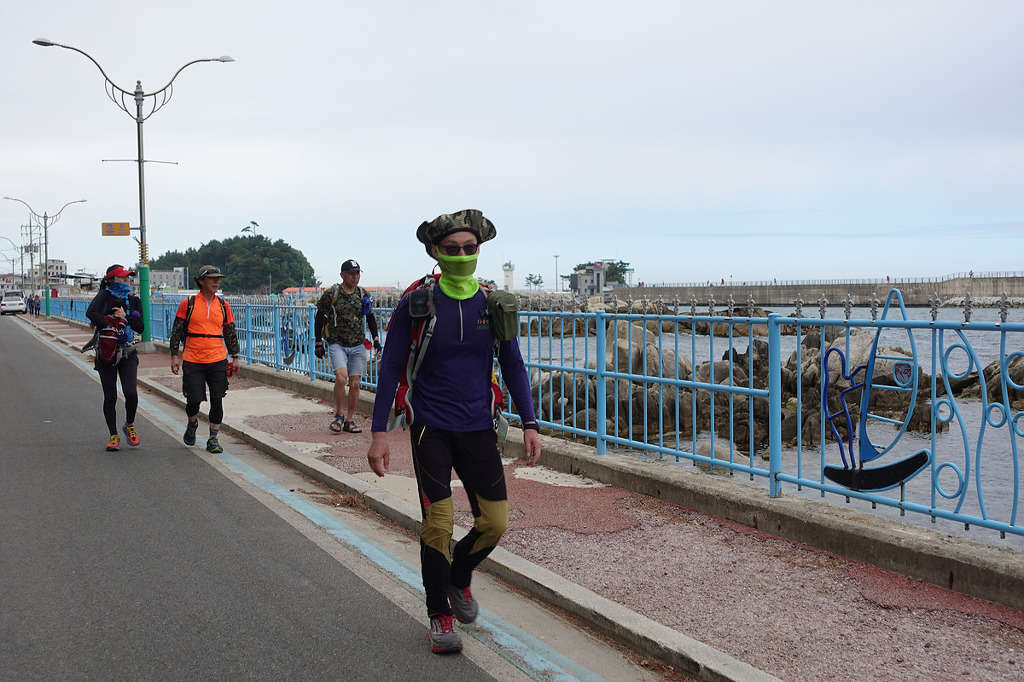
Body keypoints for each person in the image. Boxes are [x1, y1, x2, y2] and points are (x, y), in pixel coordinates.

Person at [367, 209, 541, 654]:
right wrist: (379, 432)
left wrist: (530, 423)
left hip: (480, 427)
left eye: (470, 248)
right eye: (452, 249)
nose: (462, 256)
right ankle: (439, 616)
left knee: (495, 523)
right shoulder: (418, 302)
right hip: (431, 429)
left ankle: (459, 575)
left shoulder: (494, 303)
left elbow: (514, 364)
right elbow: (390, 365)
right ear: (434, 251)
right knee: (438, 526)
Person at [168, 266, 241, 454]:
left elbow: (230, 333)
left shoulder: (223, 306)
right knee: (194, 400)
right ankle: (192, 423)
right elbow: (176, 331)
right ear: (201, 281)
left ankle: (213, 438)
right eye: (212, 279)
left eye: (218, 279)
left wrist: (235, 357)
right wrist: (174, 356)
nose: (216, 282)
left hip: (217, 358)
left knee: (217, 398)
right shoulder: (188, 304)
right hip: (193, 358)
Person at [314, 259, 380, 434]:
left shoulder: (362, 293)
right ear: (342, 275)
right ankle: (338, 414)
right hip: (337, 343)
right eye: (351, 273)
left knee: (355, 383)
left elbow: (370, 317)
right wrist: (318, 342)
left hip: (358, 344)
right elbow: (319, 316)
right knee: (341, 378)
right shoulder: (332, 293)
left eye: (357, 273)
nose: (355, 277)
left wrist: (375, 339)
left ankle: (349, 420)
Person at [85, 264, 144, 451]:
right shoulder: (104, 295)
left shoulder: (134, 300)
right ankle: (113, 435)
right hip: (106, 353)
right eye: (122, 277)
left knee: (131, 393)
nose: (127, 280)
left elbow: (141, 327)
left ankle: (129, 424)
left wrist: (125, 317)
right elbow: (90, 312)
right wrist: (108, 325)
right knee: (110, 396)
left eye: (128, 277)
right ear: (112, 279)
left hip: (128, 352)